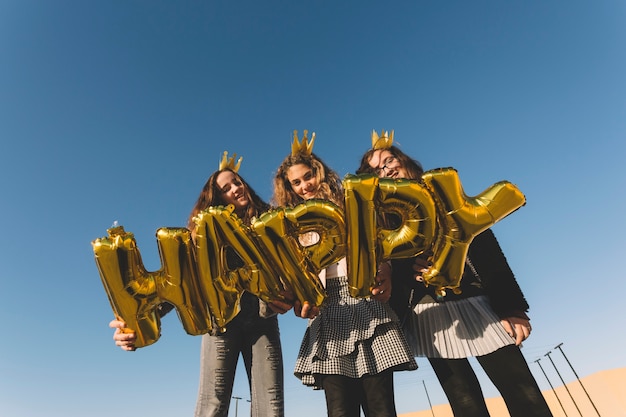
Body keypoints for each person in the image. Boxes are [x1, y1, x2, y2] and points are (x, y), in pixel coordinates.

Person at [356, 130, 553, 417]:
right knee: (465, 404)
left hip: (478, 304)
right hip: (429, 316)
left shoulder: (445, 195)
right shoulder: (382, 220)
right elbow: (389, 272)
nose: (387, 168)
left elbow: (487, 249)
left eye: (389, 159)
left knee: (523, 393)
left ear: (404, 161)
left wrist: (512, 307)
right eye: (377, 169)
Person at [110, 151, 292, 417]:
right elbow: (179, 284)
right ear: (217, 198)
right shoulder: (203, 238)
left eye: (237, 182)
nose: (235, 189)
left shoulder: (269, 223)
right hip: (219, 324)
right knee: (213, 406)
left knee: (270, 405)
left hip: (263, 321)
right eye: (226, 188)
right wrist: (136, 322)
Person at [271, 130, 417, 417]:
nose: (304, 186)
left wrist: (385, 270)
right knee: (340, 410)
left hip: (365, 300)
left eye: (307, 176)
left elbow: (378, 245)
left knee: (382, 408)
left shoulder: (350, 202)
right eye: (295, 183)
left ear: (319, 172)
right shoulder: (290, 224)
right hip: (326, 311)